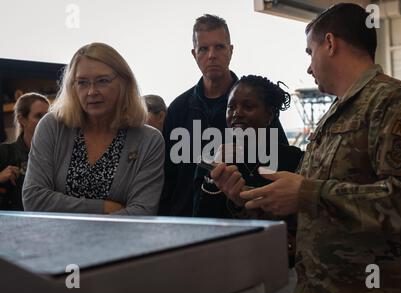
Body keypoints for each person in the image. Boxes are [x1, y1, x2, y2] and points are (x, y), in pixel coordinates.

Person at [211, 3, 401, 293]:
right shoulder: (336, 115)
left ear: (331, 43)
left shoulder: (397, 104)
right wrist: (243, 197)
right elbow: (313, 216)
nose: (309, 67)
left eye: (310, 53)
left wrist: (308, 192)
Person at [158, 14, 288, 217]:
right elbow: (167, 179)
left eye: (219, 47)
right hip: (186, 226)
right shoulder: (178, 109)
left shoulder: (257, 109)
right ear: (194, 54)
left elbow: (280, 167)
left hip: (245, 225)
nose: (211, 55)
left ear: (231, 50)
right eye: (203, 48)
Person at [22, 42, 164, 215]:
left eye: (102, 81)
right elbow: (33, 199)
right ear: (72, 87)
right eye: (82, 83)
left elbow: (142, 211)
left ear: (124, 82)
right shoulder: (52, 126)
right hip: (55, 240)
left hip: (120, 242)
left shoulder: (149, 140)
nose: (91, 92)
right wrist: (103, 207)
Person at [194, 75, 304, 267]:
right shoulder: (214, 158)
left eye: (248, 106)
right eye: (231, 107)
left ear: (270, 114)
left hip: (279, 266)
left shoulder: (293, 159)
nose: (237, 113)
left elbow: (296, 224)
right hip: (225, 263)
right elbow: (201, 221)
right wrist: (213, 177)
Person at [0, 93, 49, 210]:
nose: (45, 121)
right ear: (22, 120)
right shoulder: (4, 153)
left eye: (47, 116)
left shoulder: (58, 154)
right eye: (38, 116)